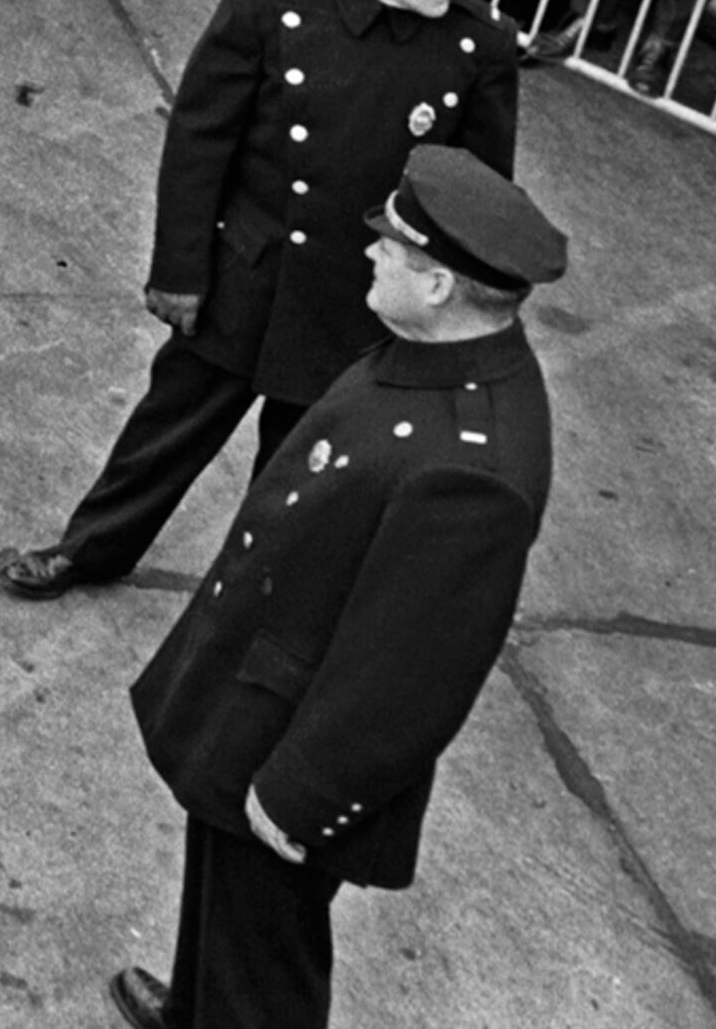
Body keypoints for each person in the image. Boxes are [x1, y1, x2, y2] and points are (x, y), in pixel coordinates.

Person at [107, 150, 564, 1029]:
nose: (372, 253)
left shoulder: (477, 472)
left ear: (436, 287)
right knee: (221, 905)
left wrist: (301, 797)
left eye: (391, 245)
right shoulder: (431, 352)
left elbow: (412, 677)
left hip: (296, 750)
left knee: (265, 972)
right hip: (253, 698)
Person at [0, 0, 521, 602]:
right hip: (252, 275)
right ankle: (89, 549)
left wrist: (448, 319)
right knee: (168, 432)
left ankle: (251, 594)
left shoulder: (478, 49)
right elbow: (199, 146)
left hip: (362, 302)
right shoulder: (273, 10)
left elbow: (477, 196)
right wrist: (180, 269)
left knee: (304, 467)